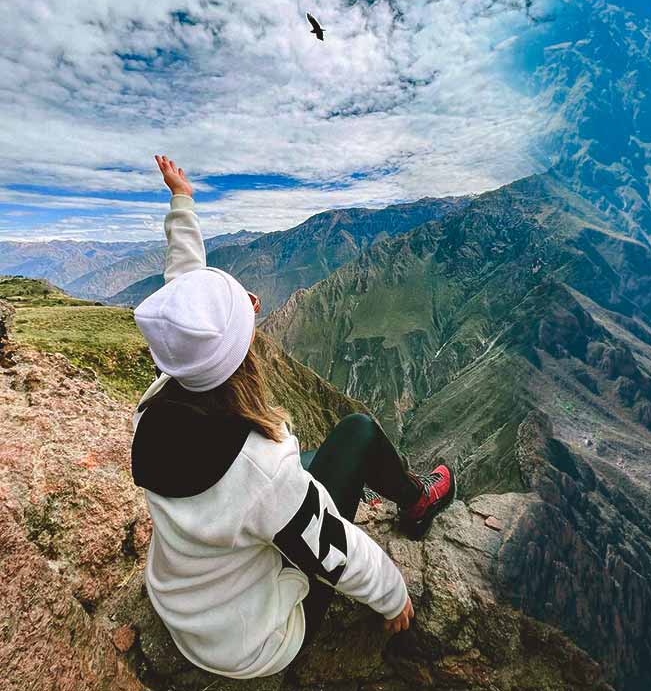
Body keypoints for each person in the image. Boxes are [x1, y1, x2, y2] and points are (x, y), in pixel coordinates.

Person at [132, 156, 458, 680]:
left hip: (189, 611)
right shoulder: (257, 466)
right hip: (253, 641)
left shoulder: (156, 407)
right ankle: (416, 501)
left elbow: (185, 304)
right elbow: (331, 548)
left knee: (301, 474)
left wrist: (182, 202)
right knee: (356, 431)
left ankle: (412, 494)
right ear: (239, 354)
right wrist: (393, 594)